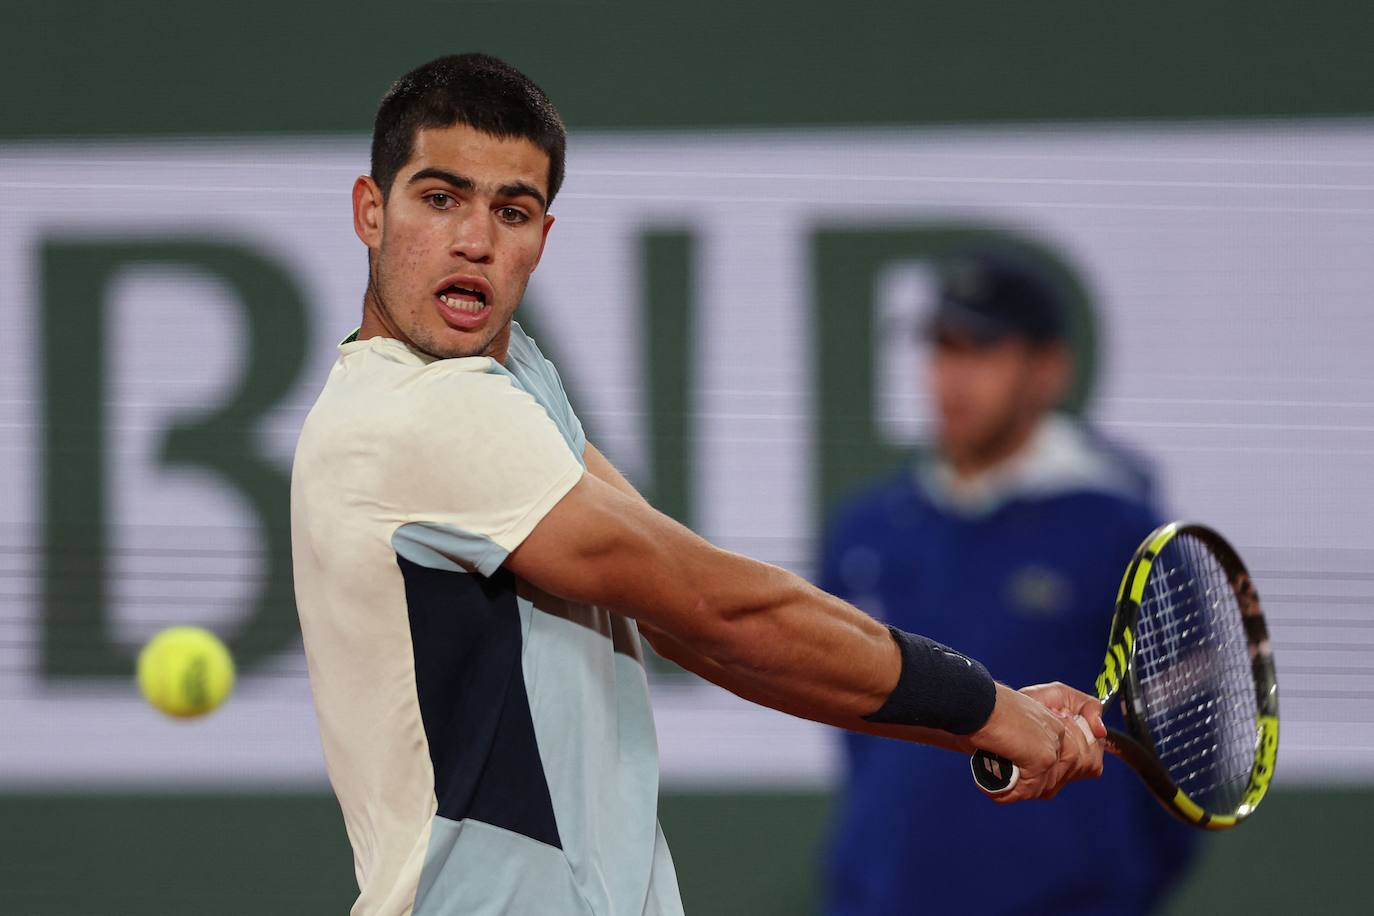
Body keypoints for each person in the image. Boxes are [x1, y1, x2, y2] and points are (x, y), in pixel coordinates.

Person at [290, 54, 1105, 916]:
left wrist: (988, 715)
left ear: (542, 236)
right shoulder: (412, 415)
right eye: (440, 197)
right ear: (370, 211)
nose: (475, 240)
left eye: (513, 210)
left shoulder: (510, 375)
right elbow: (724, 606)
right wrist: (986, 707)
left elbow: (695, 627)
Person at [819, 253, 1199, 916]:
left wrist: (1102, 887)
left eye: (982, 350)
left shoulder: (1122, 535)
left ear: (1049, 369)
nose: (952, 377)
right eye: (941, 349)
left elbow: (1176, 761)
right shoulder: (866, 531)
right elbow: (860, 743)